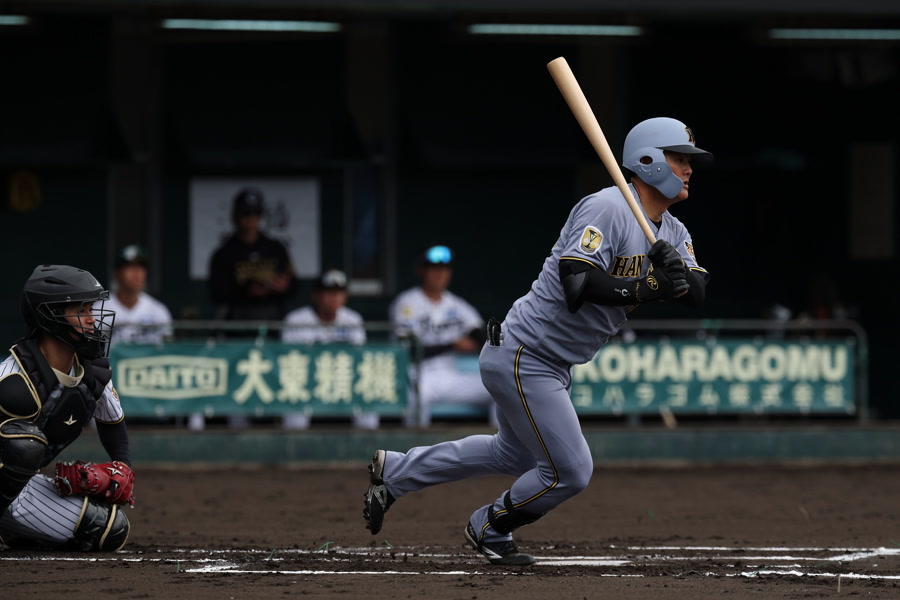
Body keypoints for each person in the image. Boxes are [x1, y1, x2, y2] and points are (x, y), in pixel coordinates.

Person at [363, 117, 712, 566]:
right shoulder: (607, 207)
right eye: (679, 158)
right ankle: (489, 527)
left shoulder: (673, 232)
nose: (688, 168)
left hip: (550, 362)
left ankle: (396, 472)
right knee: (572, 471)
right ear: (648, 161)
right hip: (526, 353)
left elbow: (696, 294)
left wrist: (673, 273)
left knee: (511, 454)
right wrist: (649, 285)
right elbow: (576, 283)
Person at [0, 264, 134, 551]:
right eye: (81, 310)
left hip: (19, 488)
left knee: (110, 529)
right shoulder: (12, 377)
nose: (92, 319)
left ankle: (10, 528)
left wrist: (122, 468)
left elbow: (112, 422)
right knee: (24, 444)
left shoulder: (92, 373)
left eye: (91, 309)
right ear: (50, 315)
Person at [389, 245, 495, 428]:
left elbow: (480, 334)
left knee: (500, 389)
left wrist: (479, 341)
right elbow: (407, 350)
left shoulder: (457, 304)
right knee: (418, 395)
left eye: (444, 269)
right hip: (419, 374)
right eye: (434, 269)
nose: (440, 274)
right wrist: (452, 344)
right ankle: (415, 444)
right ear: (421, 271)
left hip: (450, 375)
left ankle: (501, 444)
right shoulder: (407, 303)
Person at [281, 268, 376, 429]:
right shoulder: (296, 319)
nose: (335, 297)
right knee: (294, 397)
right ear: (315, 295)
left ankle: (366, 443)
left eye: (339, 292)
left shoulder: (353, 319)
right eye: (329, 292)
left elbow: (359, 356)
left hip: (344, 380)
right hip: (307, 380)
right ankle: (294, 444)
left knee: (368, 397)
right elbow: (290, 360)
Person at [208, 187, 299, 334]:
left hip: (273, 319)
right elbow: (216, 294)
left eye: (256, 213)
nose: (251, 219)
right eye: (246, 213)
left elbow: (294, 286)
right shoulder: (224, 253)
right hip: (238, 323)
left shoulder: (275, 248)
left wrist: (283, 286)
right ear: (235, 216)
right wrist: (247, 290)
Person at [104, 245, 173, 345]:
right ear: (117, 273)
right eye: (130, 266)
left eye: (141, 267)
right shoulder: (98, 310)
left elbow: (167, 348)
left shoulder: (158, 311)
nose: (137, 272)